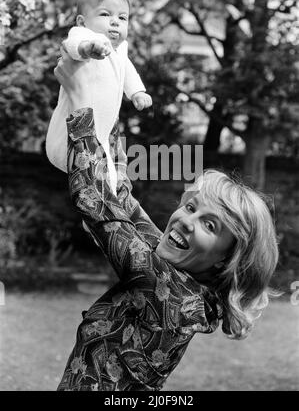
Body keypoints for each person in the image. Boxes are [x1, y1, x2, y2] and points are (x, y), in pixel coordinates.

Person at [54, 51, 279, 391]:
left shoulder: (170, 296)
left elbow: (94, 200)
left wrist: (82, 101)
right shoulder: (181, 281)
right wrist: (107, 102)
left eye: (210, 225)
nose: (186, 221)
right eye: (191, 207)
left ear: (227, 259)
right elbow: (123, 201)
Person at [46, 0, 152, 195]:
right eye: (105, 14)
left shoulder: (120, 50)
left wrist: (137, 92)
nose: (115, 22)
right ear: (82, 22)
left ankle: (97, 216)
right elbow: (71, 46)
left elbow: (128, 71)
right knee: (101, 176)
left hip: (98, 138)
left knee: (109, 181)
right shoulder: (85, 35)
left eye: (122, 18)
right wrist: (87, 48)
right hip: (68, 137)